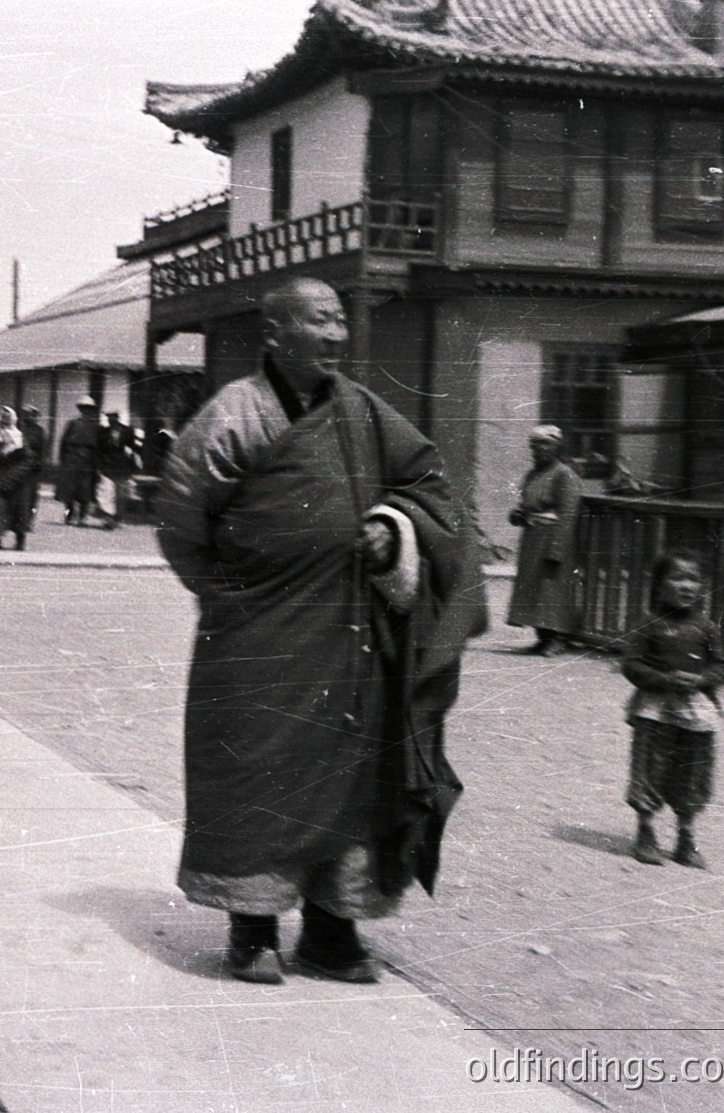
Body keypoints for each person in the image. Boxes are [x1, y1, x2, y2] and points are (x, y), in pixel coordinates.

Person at [156, 276, 484, 986]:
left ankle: (332, 933)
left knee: (353, 776)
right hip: (255, 636)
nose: (337, 334)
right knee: (255, 772)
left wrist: (394, 528)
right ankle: (252, 931)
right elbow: (182, 524)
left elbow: (427, 480)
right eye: (320, 320)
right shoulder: (232, 414)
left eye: (340, 321)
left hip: (349, 636)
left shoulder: (365, 414)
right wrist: (230, 599)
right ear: (276, 333)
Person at [621, 549, 724, 869]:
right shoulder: (649, 624)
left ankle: (685, 837)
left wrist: (700, 680)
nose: (686, 586)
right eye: (677, 577)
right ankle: (646, 832)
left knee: (693, 771)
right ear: (659, 584)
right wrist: (664, 679)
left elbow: (721, 666)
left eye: (693, 579)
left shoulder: (707, 628)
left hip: (695, 710)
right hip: (655, 709)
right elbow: (631, 665)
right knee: (651, 767)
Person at [507, 424, 582, 656]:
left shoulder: (564, 474)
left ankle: (559, 638)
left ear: (557, 446)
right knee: (533, 587)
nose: (539, 449)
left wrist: (556, 550)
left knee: (552, 589)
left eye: (545, 444)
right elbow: (526, 504)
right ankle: (543, 636)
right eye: (535, 445)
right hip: (533, 537)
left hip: (553, 538)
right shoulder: (533, 474)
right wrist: (518, 515)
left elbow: (568, 514)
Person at [0, 406, 34, 550]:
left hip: (18, 476)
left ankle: (20, 540)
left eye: (8, 416)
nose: (5, 419)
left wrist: (16, 474)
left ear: (13, 418)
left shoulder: (20, 436)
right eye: (3, 416)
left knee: (19, 508)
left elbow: (28, 458)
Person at [55, 397, 101, 525]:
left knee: (85, 490)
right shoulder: (73, 423)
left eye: (88, 409)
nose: (86, 411)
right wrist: (63, 459)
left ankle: (82, 517)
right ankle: (69, 515)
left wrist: (96, 463)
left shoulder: (96, 426)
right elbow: (63, 442)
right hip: (72, 458)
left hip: (88, 459)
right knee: (69, 489)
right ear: (80, 409)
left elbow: (99, 446)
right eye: (83, 408)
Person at [95, 410, 141, 529]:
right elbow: (99, 450)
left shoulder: (127, 431)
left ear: (117, 417)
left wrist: (133, 465)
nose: (110, 419)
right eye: (108, 417)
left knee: (120, 493)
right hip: (108, 466)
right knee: (107, 492)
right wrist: (100, 465)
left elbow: (133, 449)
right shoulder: (103, 432)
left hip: (122, 466)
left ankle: (117, 517)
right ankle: (108, 517)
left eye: (113, 417)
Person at [17, 405, 49, 532]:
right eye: (25, 414)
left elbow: (43, 450)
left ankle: (29, 521)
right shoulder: (19, 428)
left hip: (33, 467)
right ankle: (18, 521)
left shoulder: (39, 431)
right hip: (18, 466)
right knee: (19, 494)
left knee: (31, 496)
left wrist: (40, 464)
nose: (27, 417)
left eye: (30, 414)